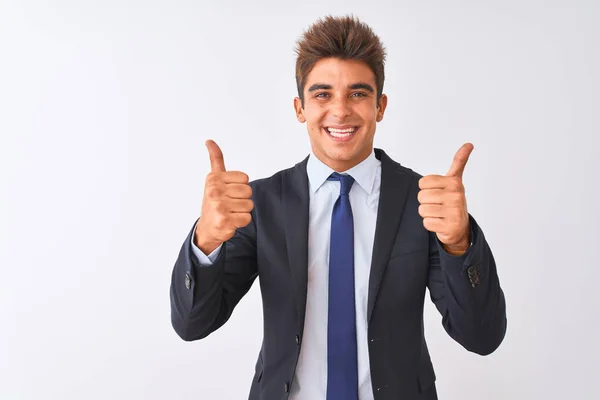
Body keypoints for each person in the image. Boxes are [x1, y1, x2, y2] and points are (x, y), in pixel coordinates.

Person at [169, 15, 506, 400]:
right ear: (300, 108)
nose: (341, 110)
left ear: (380, 106)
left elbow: (483, 337)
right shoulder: (260, 204)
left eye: (359, 94)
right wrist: (206, 241)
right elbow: (192, 324)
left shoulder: (425, 203)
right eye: (323, 94)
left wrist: (459, 243)